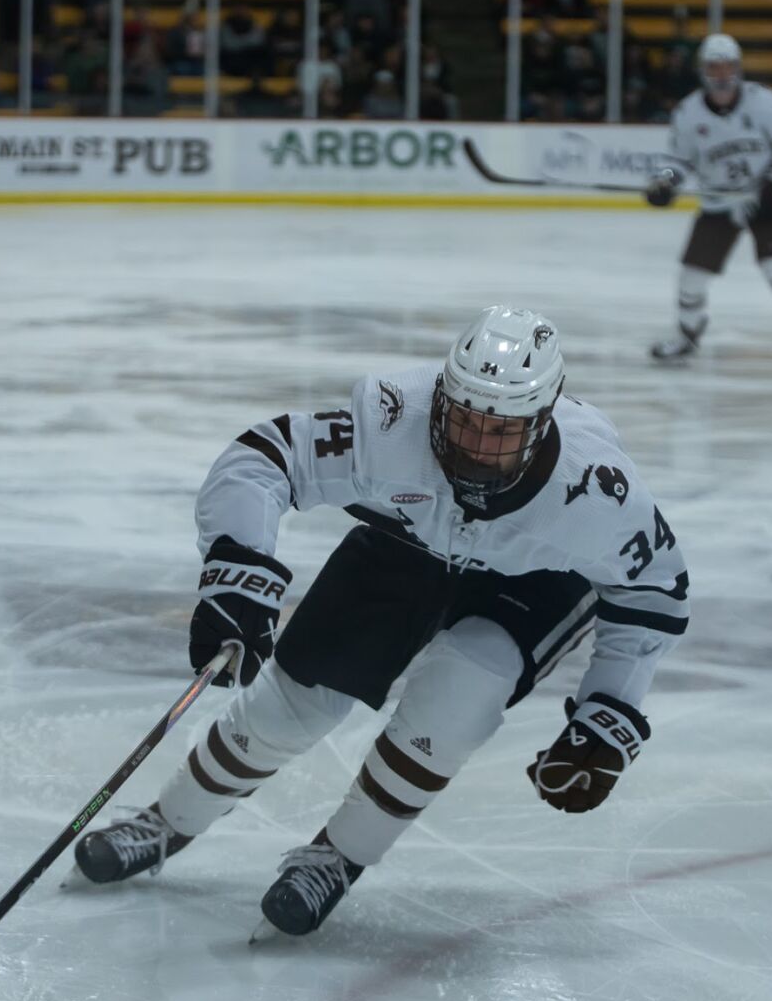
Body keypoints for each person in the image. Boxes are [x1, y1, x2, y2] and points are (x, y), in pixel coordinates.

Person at [69, 307, 690, 940]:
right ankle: (166, 822)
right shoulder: (393, 420)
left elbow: (656, 592)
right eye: (463, 418)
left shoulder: (596, 496)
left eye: (498, 430)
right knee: (291, 704)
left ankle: (338, 858)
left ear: (540, 422)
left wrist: (606, 715)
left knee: (454, 705)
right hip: (410, 547)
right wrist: (239, 570)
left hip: (538, 580)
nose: (474, 442)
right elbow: (263, 457)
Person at [644, 33, 772, 370]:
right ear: (703, 70)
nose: (722, 74)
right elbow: (678, 160)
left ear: (738, 68)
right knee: (692, 276)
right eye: (715, 66)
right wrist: (665, 182)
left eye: (728, 66)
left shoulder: (762, 101)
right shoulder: (689, 113)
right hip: (718, 202)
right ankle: (687, 333)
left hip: (763, 198)